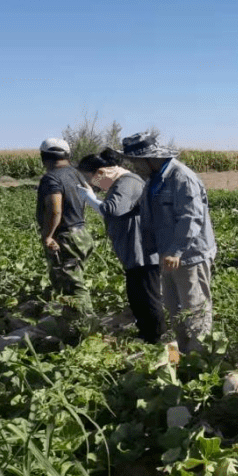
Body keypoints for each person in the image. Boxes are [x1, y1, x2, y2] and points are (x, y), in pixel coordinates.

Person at [120, 132, 216, 354]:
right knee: (175, 310)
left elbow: (190, 217)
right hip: (167, 253)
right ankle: (185, 354)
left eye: (135, 161)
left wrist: (176, 250)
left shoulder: (182, 178)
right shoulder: (153, 179)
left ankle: (201, 361)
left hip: (188, 255)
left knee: (194, 309)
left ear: (149, 158)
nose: (133, 166)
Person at [77, 148, 165, 343]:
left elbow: (113, 210)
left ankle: (155, 337)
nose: (92, 183)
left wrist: (90, 198)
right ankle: (145, 333)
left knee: (148, 297)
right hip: (133, 252)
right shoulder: (120, 183)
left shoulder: (127, 182)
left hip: (143, 251)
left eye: (90, 177)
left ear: (101, 172)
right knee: (137, 297)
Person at [36, 137, 95, 314]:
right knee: (75, 279)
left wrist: (48, 235)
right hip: (81, 234)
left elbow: (55, 210)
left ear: (44, 157)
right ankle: (73, 319)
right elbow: (88, 196)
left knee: (73, 287)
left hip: (65, 237)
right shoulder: (76, 173)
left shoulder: (51, 178)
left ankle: (84, 324)